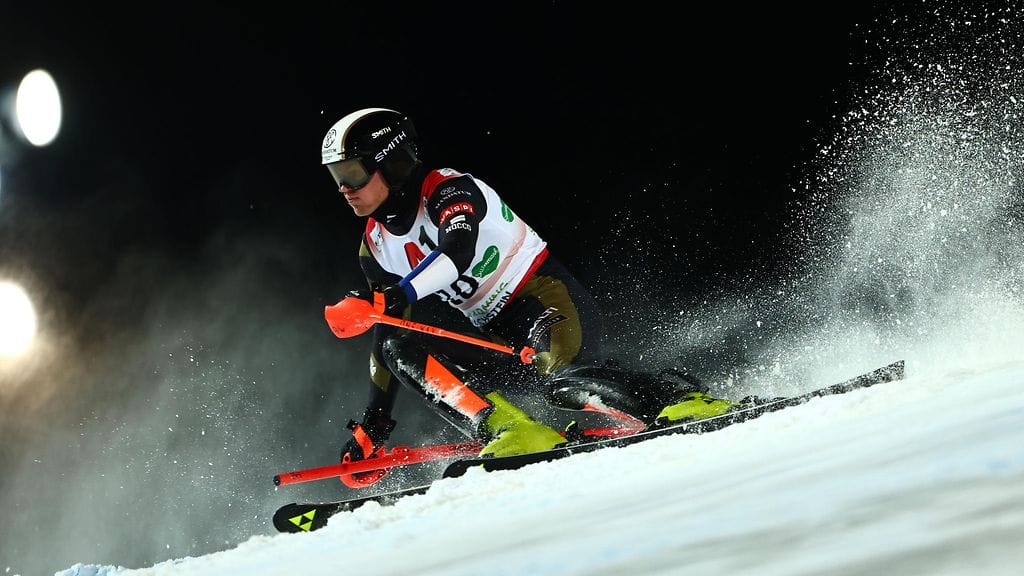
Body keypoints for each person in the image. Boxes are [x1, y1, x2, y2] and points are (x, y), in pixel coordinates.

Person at [320, 107, 737, 472]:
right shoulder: (374, 247)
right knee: (399, 347)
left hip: (545, 303)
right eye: (337, 176)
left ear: (392, 164)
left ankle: (677, 397)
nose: (343, 188)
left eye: (353, 172)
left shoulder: (449, 190)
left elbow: (458, 252)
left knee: (564, 383)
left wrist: (395, 296)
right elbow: (387, 327)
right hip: (498, 337)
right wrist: (373, 424)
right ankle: (510, 429)